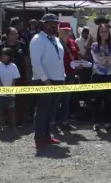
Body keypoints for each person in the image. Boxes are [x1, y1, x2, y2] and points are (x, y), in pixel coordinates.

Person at [30, 14, 66, 149]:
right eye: (50, 23)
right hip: (44, 80)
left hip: (57, 79)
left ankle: (46, 134)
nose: (54, 26)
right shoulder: (38, 39)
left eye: (55, 23)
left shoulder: (55, 39)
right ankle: (39, 137)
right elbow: (36, 62)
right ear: (44, 24)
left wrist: (63, 75)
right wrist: (45, 80)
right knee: (43, 110)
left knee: (51, 110)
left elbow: (59, 59)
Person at [90, 22, 111, 132]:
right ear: (99, 33)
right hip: (98, 75)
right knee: (96, 100)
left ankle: (108, 122)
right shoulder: (94, 45)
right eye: (102, 31)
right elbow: (96, 58)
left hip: (110, 75)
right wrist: (106, 60)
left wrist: (109, 60)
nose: (104, 33)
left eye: (106, 31)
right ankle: (96, 122)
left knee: (109, 100)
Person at [56, 23, 81, 131]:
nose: (66, 32)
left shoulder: (73, 43)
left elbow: (77, 56)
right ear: (59, 31)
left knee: (66, 98)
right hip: (58, 74)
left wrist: (79, 64)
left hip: (70, 73)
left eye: (67, 30)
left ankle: (64, 122)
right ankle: (55, 122)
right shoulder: (55, 43)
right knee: (56, 99)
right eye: (63, 30)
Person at [0, 47, 21, 131]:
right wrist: (2, 88)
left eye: (6, 55)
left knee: (11, 110)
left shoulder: (13, 66)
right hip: (0, 92)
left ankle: (13, 126)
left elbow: (15, 78)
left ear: (9, 56)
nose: (4, 57)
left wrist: (10, 89)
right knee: (0, 110)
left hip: (11, 92)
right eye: (2, 55)